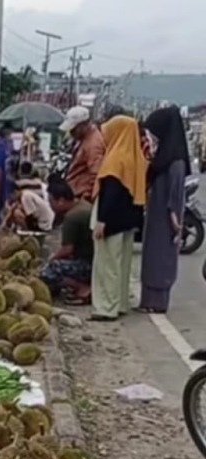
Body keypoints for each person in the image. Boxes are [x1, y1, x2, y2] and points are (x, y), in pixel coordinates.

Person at [90, 115, 148, 322]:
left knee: (107, 265)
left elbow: (111, 193)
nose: (105, 135)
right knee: (122, 265)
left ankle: (106, 307)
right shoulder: (137, 158)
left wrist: (102, 221)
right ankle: (120, 303)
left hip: (111, 221)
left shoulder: (115, 159)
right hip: (129, 220)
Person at [137, 106, 190, 313]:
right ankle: (148, 300)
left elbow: (176, 194)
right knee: (151, 257)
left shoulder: (175, 161)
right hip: (156, 214)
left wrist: (175, 218)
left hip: (166, 219)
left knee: (161, 258)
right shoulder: (163, 158)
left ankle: (157, 303)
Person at [40, 181, 94, 303]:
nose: (50, 206)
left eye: (51, 202)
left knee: (48, 271)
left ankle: (84, 289)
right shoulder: (83, 205)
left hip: (88, 265)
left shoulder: (72, 217)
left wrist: (51, 260)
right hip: (94, 261)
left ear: (61, 201)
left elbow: (67, 249)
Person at [60, 106, 106, 202]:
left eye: (74, 128)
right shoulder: (84, 139)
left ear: (83, 125)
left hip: (81, 196)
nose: (71, 132)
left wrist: (86, 197)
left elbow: (95, 174)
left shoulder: (93, 144)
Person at [6, 162, 54, 232]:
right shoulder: (38, 183)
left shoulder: (25, 195)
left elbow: (30, 215)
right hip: (46, 220)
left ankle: (27, 233)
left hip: (43, 225)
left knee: (17, 213)